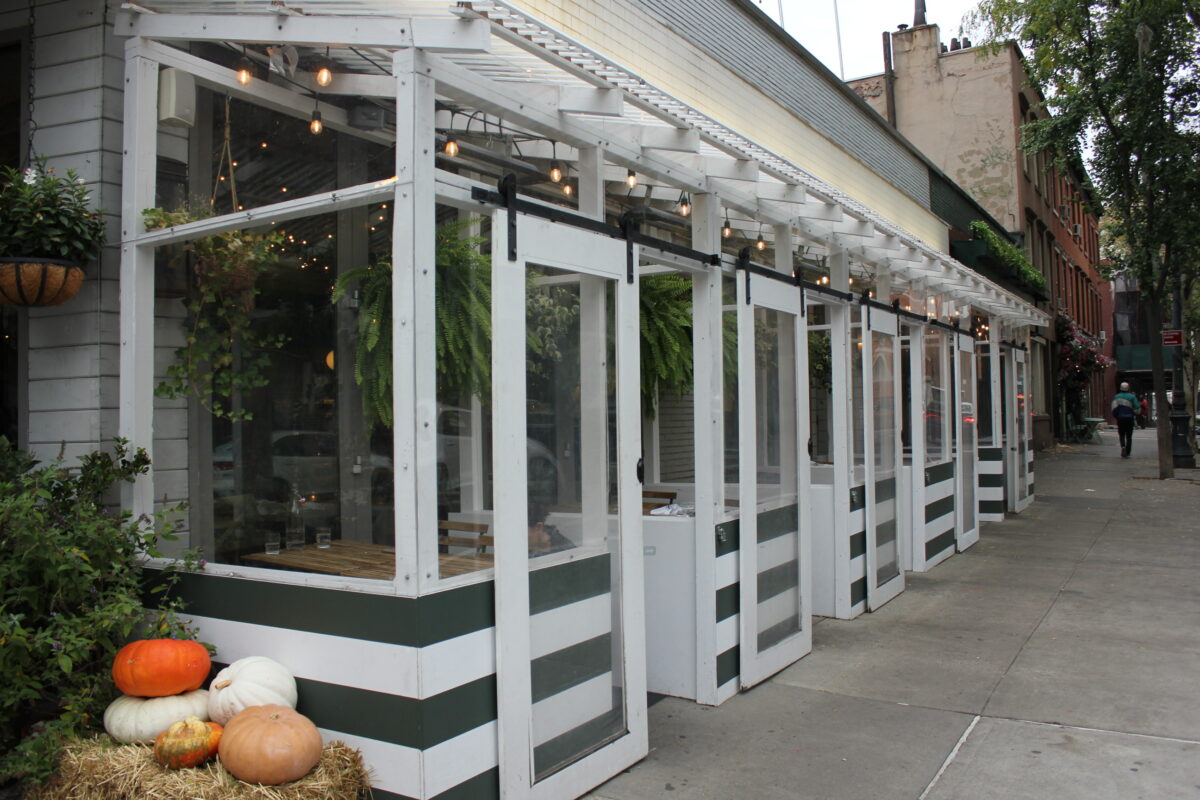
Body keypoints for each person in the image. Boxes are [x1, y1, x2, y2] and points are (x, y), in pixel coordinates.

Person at [1111, 382, 1138, 458]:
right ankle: (1128, 451)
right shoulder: (1132, 397)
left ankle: (1123, 446)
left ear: (1120, 388)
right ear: (1128, 388)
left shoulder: (1116, 397)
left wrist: (1117, 416)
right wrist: (1133, 413)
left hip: (1120, 419)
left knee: (1121, 434)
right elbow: (1137, 407)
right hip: (1129, 419)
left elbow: (1113, 409)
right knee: (1129, 436)